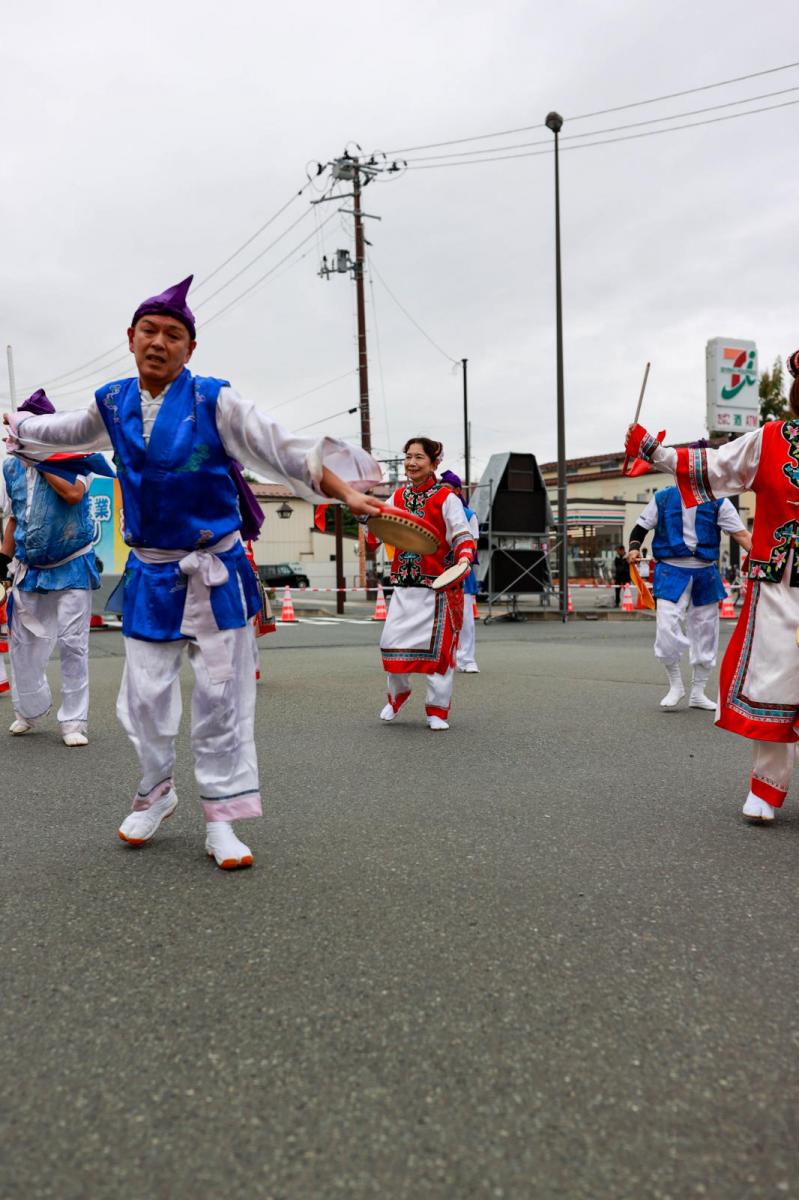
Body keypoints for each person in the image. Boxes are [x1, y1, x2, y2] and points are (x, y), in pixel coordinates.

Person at [4, 276, 383, 867]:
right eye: (149, 331)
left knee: (223, 700)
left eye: (173, 335)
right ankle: (156, 793)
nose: (159, 342)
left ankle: (222, 819)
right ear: (130, 339)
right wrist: (19, 428)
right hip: (153, 574)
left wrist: (347, 495)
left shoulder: (215, 400)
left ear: (190, 348)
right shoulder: (113, 401)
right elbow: (65, 433)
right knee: (145, 700)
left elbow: (282, 449)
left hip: (216, 570)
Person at [624, 351, 799, 824]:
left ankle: (695, 685)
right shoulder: (771, 440)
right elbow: (716, 465)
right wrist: (654, 453)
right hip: (782, 587)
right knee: (778, 683)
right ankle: (767, 786)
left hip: (709, 572)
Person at [1, 389, 111, 746]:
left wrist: (43, 463)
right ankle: (28, 712)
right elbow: (14, 518)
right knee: (23, 643)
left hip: (71, 564)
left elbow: (73, 495)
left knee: (73, 643)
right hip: (29, 568)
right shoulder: (10, 466)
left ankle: (74, 722)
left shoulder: (77, 459)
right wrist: (2, 565)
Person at [377, 439, 476, 730]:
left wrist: (465, 557)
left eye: (418, 457)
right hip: (404, 588)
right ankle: (398, 695)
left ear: (434, 462)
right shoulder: (397, 496)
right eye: (407, 456)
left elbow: (461, 535)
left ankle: (436, 710)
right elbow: (379, 525)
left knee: (439, 656)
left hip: (437, 590)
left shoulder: (447, 498)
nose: (411, 463)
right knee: (390, 645)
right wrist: (367, 519)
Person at [627, 485, 751, 709]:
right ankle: (675, 684)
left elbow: (741, 534)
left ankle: (698, 692)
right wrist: (634, 548)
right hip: (670, 569)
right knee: (666, 627)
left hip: (705, 571)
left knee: (706, 632)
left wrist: (768, 558)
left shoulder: (718, 500)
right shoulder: (663, 498)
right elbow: (640, 527)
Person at [440, 469, 481, 674]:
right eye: (441, 488)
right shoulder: (435, 509)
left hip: (460, 572)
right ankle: (443, 657)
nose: (443, 492)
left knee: (464, 619)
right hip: (436, 572)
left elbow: (470, 546)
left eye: (447, 489)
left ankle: (467, 659)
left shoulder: (468, 515)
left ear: (457, 491)